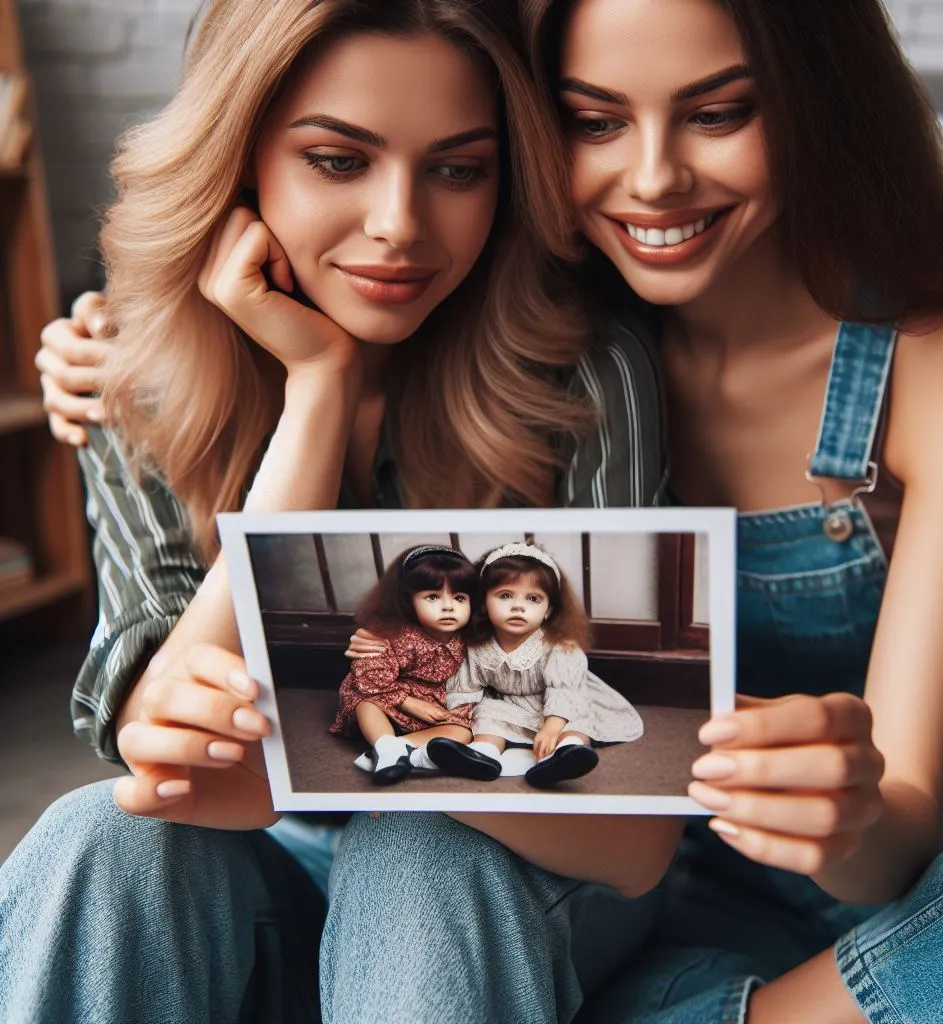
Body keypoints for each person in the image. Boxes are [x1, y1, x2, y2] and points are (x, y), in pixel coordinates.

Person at [31, 0, 943, 1020]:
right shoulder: (540, 321)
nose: (651, 179)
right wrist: (262, 377)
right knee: (114, 836)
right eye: (594, 122)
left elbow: (885, 834)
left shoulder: (931, 354)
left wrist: (843, 822)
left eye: (718, 113)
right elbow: (164, 743)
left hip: (895, 860)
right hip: (657, 883)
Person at [2, 2, 677, 1022]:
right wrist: (316, 394)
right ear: (241, 161)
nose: (400, 223)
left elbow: (627, 833)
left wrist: (324, 752)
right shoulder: (129, 368)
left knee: (416, 849)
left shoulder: (589, 375)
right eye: (336, 160)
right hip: (279, 867)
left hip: (527, 884)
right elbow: (163, 751)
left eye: (458, 169)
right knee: (102, 838)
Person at [420, 541, 645, 788]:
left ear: (548, 610)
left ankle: (565, 755)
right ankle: (483, 754)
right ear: (484, 603)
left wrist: (551, 727)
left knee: (577, 721)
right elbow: (466, 686)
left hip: (559, 704)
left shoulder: (558, 646)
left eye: (533, 599)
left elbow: (565, 692)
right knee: (487, 715)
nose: (518, 606)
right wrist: (457, 717)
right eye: (505, 596)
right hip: (507, 703)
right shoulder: (478, 646)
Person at [329, 545, 478, 784]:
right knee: (365, 702)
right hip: (385, 693)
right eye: (432, 597)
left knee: (463, 731)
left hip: (434, 701)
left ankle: (394, 750)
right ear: (408, 601)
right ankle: (383, 741)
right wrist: (408, 702)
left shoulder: (469, 637)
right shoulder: (393, 634)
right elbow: (370, 678)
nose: (448, 606)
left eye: (459, 598)